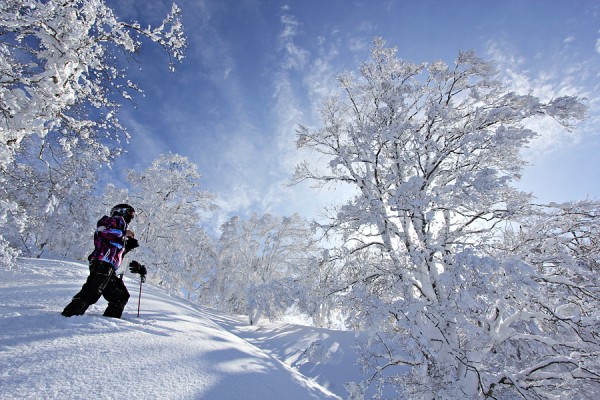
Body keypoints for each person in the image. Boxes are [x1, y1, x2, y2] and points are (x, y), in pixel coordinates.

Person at [62, 203, 145, 318]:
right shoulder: (110, 221)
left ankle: (111, 320)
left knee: (120, 296)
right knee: (93, 290)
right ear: (121, 211)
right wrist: (123, 234)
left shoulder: (121, 229)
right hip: (101, 263)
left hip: (110, 267)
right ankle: (68, 315)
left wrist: (127, 247)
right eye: (130, 213)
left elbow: (114, 251)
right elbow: (102, 232)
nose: (131, 217)